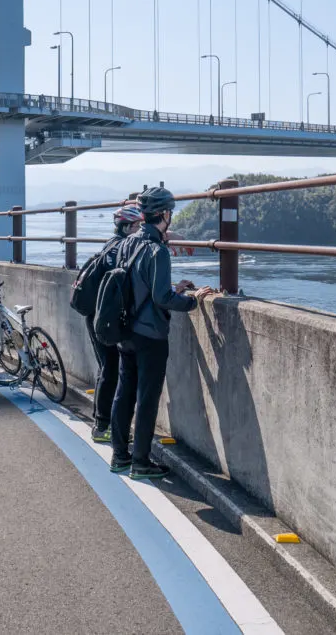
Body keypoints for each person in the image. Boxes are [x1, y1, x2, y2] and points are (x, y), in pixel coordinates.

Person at [110, 187, 212, 479]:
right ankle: (141, 462)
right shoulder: (159, 251)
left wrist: (170, 289)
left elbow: (136, 284)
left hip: (125, 329)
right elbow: (161, 299)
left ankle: (120, 456)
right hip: (151, 335)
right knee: (147, 397)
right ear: (165, 214)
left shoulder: (127, 243)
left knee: (124, 391)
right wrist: (192, 300)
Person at [86, 204, 144, 443]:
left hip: (97, 314)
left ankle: (103, 424)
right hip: (104, 317)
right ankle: (101, 426)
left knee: (108, 367)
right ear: (128, 226)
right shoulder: (122, 249)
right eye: (138, 226)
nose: (140, 230)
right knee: (110, 369)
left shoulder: (112, 244)